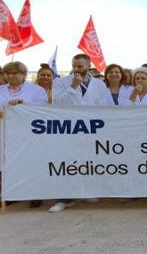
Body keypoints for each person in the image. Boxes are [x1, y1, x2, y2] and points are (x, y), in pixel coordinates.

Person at [0, 62, 49, 208]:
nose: (11, 76)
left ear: (23, 74)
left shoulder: (36, 90)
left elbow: (43, 109)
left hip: (27, 135)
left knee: (29, 163)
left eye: (14, 73)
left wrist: (24, 104)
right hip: (2, 134)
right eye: (8, 73)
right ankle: (10, 194)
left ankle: (34, 194)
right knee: (4, 164)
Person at [49, 54, 114, 213]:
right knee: (67, 164)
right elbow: (57, 103)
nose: (76, 69)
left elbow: (107, 106)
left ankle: (86, 192)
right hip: (69, 129)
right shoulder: (60, 82)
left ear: (89, 65)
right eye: (74, 66)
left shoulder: (98, 84)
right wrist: (72, 87)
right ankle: (64, 199)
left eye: (80, 66)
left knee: (89, 162)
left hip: (93, 129)